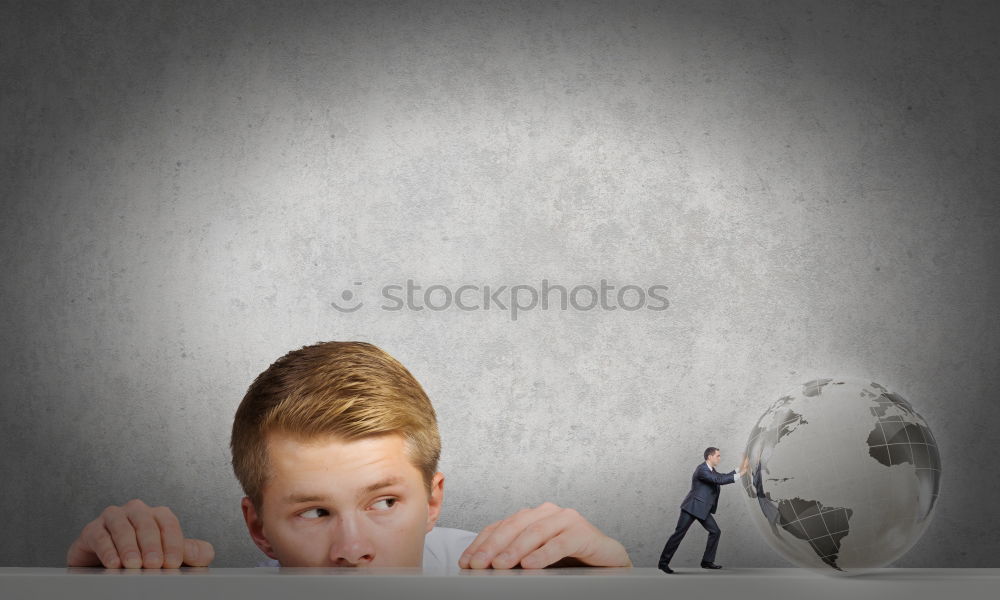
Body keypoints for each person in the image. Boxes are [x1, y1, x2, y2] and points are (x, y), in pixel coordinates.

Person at [66, 341, 631, 571]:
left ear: (433, 502)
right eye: (313, 512)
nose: (353, 550)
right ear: (258, 529)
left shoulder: (516, 579)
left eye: (385, 501)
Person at [657, 447, 748, 573]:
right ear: (710, 457)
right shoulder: (702, 470)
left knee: (715, 532)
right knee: (678, 534)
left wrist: (742, 465)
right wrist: (742, 473)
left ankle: (707, 562)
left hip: (702, 509)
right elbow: (719, 480)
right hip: (691, 507)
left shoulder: (711, 470)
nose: (720, 458)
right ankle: (663, 563)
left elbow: (724, 476)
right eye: (718, 456)